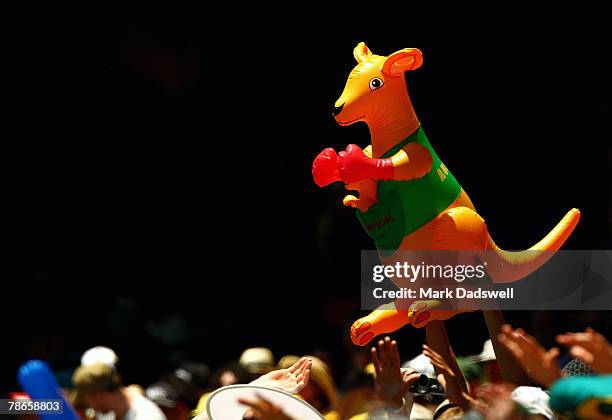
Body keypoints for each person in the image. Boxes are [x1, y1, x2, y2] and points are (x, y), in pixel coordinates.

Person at [72, 362, 166, 420]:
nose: (90, 406)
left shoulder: (146, 416)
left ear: (97, 395)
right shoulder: (111, 413)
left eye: (87, 400)